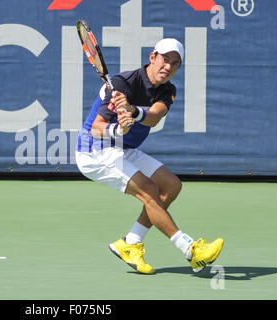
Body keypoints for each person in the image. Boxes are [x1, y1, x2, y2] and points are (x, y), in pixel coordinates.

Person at [75, 38, 223, 274]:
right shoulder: (122, 84)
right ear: (152, 57)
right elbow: (96, 127)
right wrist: (117, 129)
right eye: (165, 59)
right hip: (95, 150)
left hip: (124, 149)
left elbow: (154, 117)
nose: (168, 67)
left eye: (175, 64)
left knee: (171, 185)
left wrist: (133, 111)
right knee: (149, 191)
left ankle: (130, 243)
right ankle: (190, 250)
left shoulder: (168, 90)